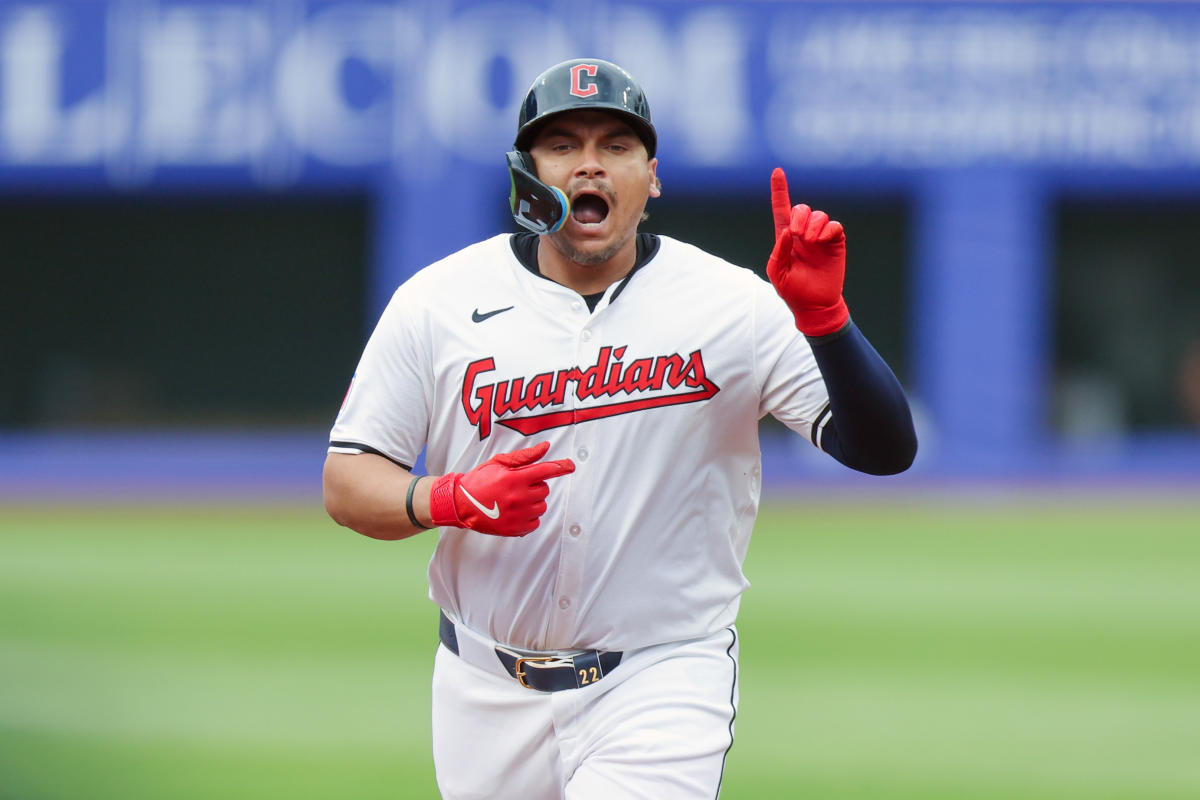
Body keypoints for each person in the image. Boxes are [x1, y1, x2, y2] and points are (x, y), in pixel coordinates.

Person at [323, 58, 916, 799]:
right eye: (563, 146)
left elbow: (884, 451)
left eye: (616, 146)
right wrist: (447, 499)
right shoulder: (437, 304)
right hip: (481, 687)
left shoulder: (732, 304)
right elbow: (347, 482)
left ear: (653, 176)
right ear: (526, 175)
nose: (590, 166)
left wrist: (826, 322)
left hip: (661, 676)